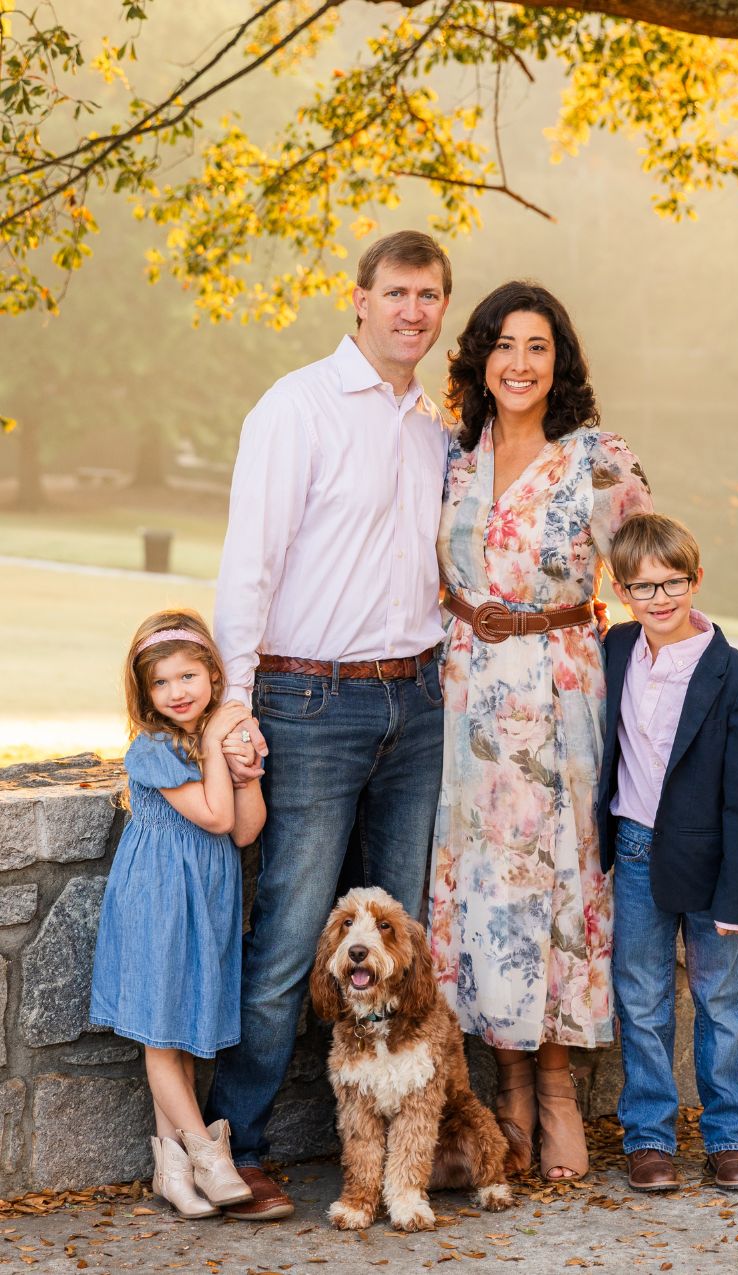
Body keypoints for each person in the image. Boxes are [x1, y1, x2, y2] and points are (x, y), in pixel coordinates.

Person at [206, 230, 454, 1219]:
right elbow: (249, 561)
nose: (414, 311)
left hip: (418, 702)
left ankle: (401, 1147)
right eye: (397, 292)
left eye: (430, 295)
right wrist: (234, 697)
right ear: (359, 300)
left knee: (401, 944)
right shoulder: (296, 407)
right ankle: (243, 1142)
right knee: (291, 941)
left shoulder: (436, 425)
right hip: (310, 702)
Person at [427, 280, 652, 1181]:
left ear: (559, 362)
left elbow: (655, 572)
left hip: (558, 691)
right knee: (479, 891)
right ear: (480, 358)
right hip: (462, 695)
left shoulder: (597, 459)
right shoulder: (452, 458)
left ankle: (555, 1092)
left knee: (553, 888)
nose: (519, 364)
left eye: (538, 347)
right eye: (504, 346)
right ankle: (506, 1091)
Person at [595, 514, 738, 1194]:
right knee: (641, 1000)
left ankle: (730, 1137)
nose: (660, 600)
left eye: (673, 584)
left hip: (709, 863)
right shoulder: (616, 650)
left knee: (722, 1001)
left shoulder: (735, 677)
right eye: (643, 588)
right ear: (621, 591)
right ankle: (649, 1140)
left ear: (696, 580)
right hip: (634, 851)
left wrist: (736, 898)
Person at [90, 610, 266, 1218]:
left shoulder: (210, 739)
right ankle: (207, 1154)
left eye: (188, 676)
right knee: (161, 1040)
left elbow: (242, 829)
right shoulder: (153, 749)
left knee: (181, 1032)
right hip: (159, 899)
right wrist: (221, 738)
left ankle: (171, 1171)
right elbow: (214, 819)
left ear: (214, 675)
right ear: (145, 695)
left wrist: (245, 767)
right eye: (161, 684)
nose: (177, 692)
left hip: (205, 901)